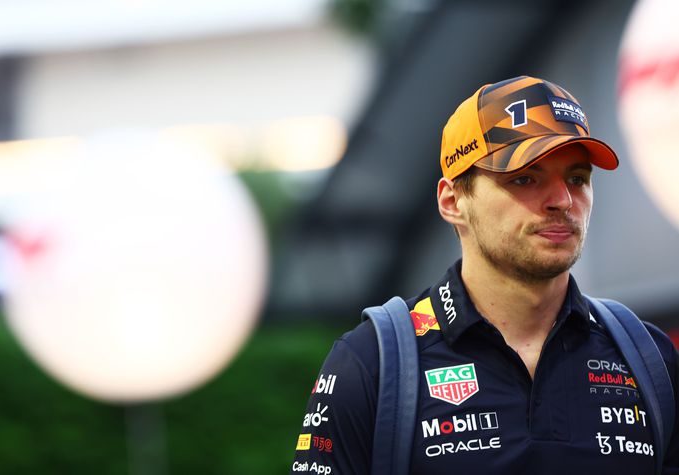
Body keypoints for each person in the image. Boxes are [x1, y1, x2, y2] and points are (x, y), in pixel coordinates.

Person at [288, 75, 679, 474]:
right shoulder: (374, 361)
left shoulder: (647, 356)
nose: (563, 200)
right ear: (452, 200)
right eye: (524, 178)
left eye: (577, 179)